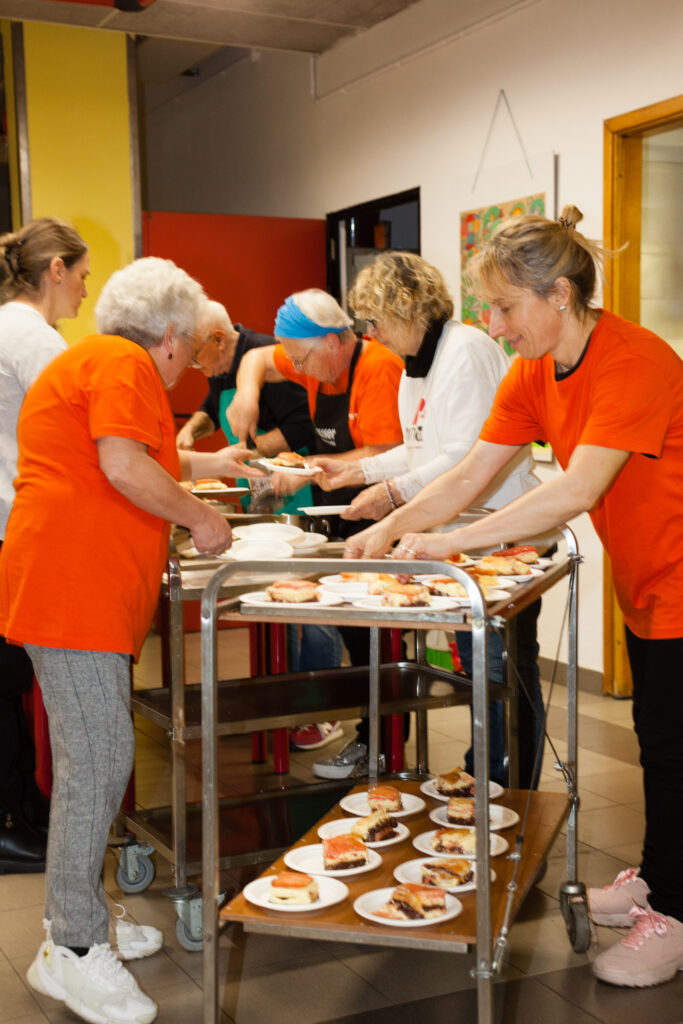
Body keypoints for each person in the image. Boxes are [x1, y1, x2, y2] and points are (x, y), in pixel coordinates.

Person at [345, 206, 683, 988]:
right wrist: (390, 526)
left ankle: (674, 912)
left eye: (502, 307)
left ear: (558, 295)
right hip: (649, 578)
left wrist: (449, 543)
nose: (492, 326)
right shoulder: (534, 371)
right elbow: (473, 471)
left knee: (672, 747)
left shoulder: (634, 359)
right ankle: (659, 875)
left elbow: (576, 488)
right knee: (657, 739)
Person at [0, 256, 261, 1024]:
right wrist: (200, 518)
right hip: (71, 591)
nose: (189, 364)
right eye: (193, 346)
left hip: (73, 589)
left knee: (91, 759)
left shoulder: (99, 362)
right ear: (170, 335)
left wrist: (204, 473)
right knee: (99, 761)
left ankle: (74, 920)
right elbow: (121, 465)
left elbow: (135, 457)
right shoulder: (123, 362)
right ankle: (75, 947)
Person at [312, 251, 542, 785]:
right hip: (458, 540)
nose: (371, 334)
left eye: (375, 320)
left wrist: (392, 496)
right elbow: (418, 451)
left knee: (501, 673)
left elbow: (465, 460)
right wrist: (356, 472)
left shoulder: (465, 352)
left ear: (407, 307)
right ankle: (483, 776)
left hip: (499, 536)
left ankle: (507, 788)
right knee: (477, 670)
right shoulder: (415, 366)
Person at [228, 288, 404, 759]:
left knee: (375, 639)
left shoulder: (378, 367)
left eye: (301, 359)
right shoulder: (312, 359)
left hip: (381, 514)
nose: (296, 369)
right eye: (292, 360)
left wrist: (309, 468)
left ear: (332, 341)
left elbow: (386, 452)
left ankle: (383, 747)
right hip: (338, 513)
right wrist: (247, 395)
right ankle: (371, 741)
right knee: (351, 632)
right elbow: (256, 359)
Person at [0, 217, 89, 875]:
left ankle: (24, 813)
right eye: (82, 276)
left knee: (8, 685)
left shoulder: (11, 327)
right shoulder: (31, 335)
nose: (84, 290)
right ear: (55, 270)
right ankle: (11, 825)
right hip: (10, 525)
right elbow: (86, 428)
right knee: (6, 685)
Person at [175, 299, 314, 460]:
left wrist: (240, 452)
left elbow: (304, 426)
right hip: (249, 469)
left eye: (194, 355)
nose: (191, 364)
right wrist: (190, 430)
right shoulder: (217, 366)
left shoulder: (269, 358)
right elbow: (212, 409)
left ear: (219, 340)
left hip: (293, 468)